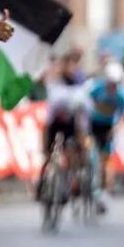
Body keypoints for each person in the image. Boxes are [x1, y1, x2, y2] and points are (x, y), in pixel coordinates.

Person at [37, 51, 90, 202]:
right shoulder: (55, 83)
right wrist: (44, 143)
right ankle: (42, 183)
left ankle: (68, 182)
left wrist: (83, 137)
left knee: (71, 151)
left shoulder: (79, 85)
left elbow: (83, 114)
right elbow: (48, 117)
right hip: (54, 122)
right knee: (48, 155)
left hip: (71, 124)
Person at [87, 61, 124, 212]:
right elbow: (86, 104)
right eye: (111, 84)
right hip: (93, 124)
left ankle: (103, 191)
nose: (113, 88)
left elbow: (122, 117)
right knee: (90, 154)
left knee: (106, 162)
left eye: (116, 85)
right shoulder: (97, 89)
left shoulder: (122, 96)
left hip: (107, 128)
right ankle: (85, 180)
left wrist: (115, 129)